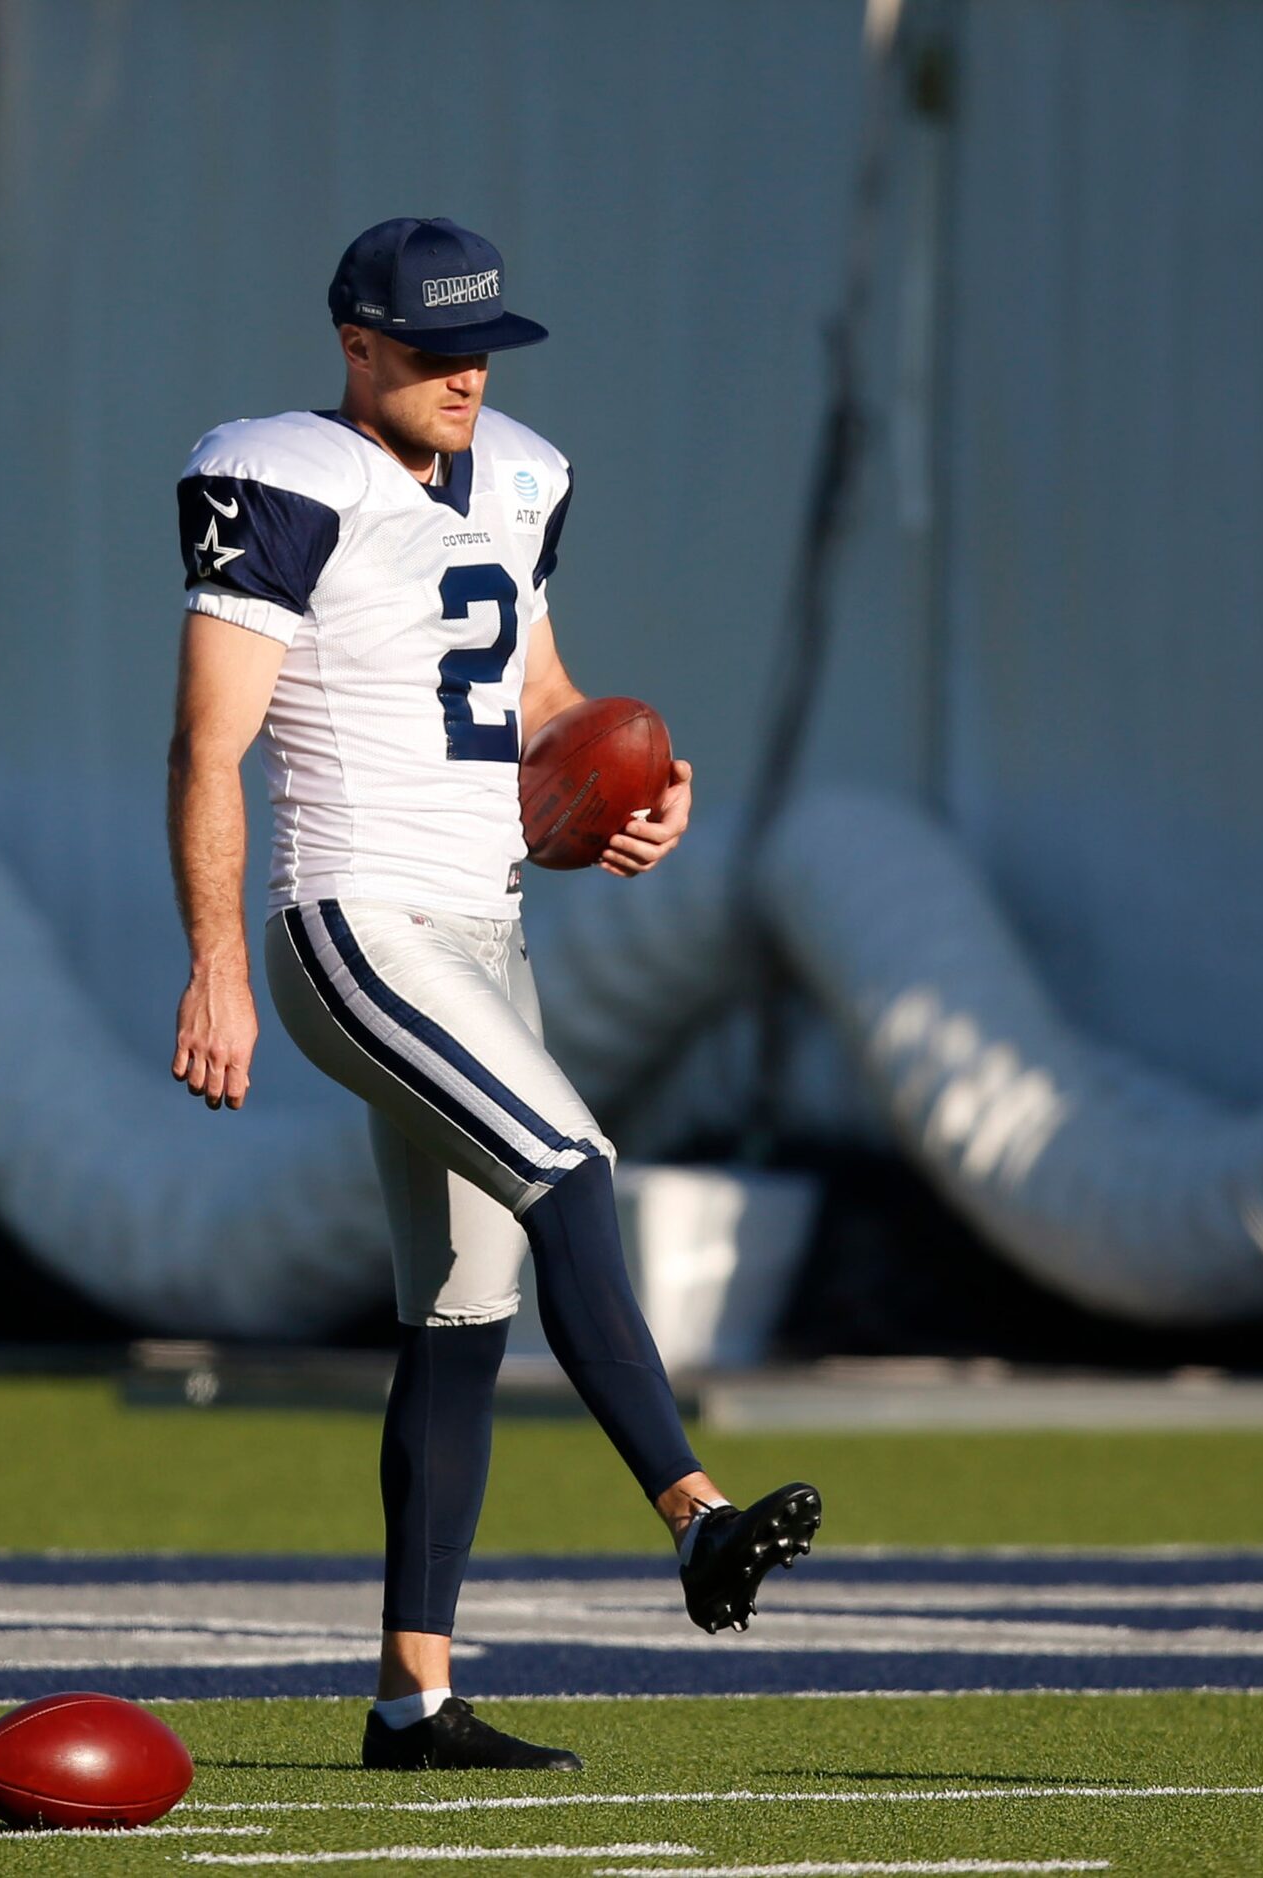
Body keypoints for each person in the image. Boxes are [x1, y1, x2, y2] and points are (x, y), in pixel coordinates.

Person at [165, 215, 821, 1774]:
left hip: (484, 925)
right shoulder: (279, 476)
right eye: (433, 346)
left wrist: (628, 784)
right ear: (356, 344)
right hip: (354, 920)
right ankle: (696, 1517)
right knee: (572, 1168)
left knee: (461, 1308)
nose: (466, 373)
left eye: (482, 347)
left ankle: (413, 1699)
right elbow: (208, 743)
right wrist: (214, 966)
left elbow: (542, 699)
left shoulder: (523, 470)